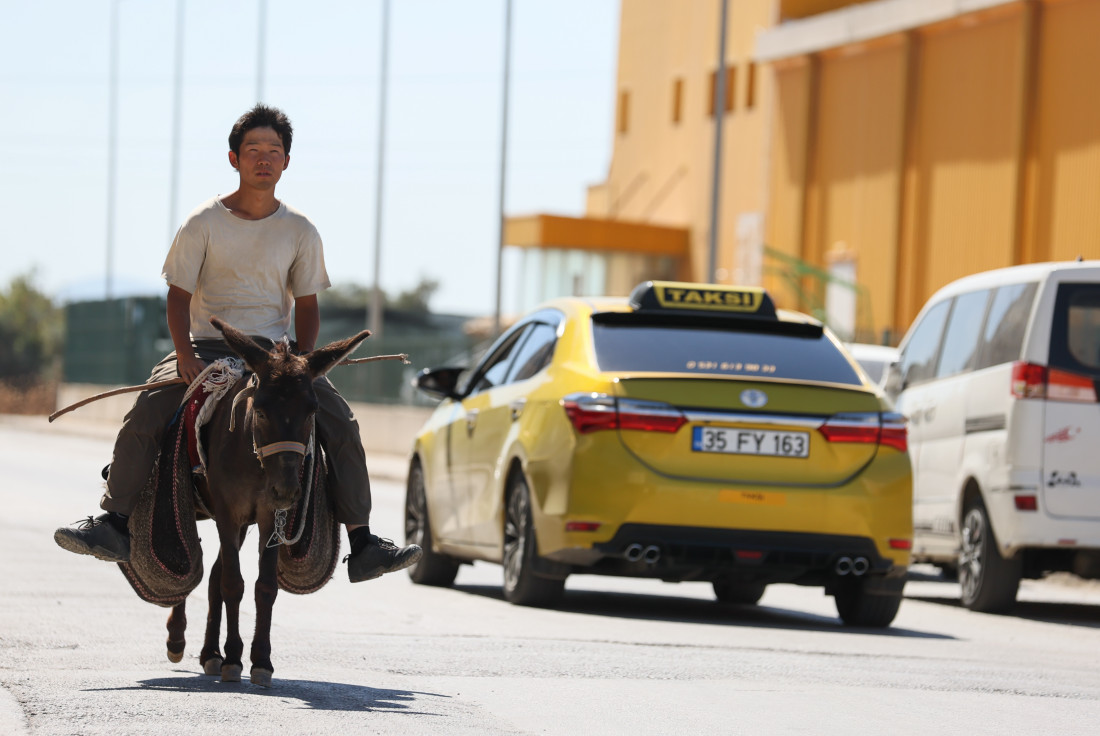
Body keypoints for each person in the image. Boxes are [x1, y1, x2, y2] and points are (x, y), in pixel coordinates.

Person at [54, 103, 422, 583]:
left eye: (274, 151)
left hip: (275, 358)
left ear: (287, 161)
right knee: (147, 410)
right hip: (207, 349)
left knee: (342, 424)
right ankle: (114, 521)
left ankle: (363, 541)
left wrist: (304, 367)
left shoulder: (301, 231)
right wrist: (183, 355)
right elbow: (178, 296)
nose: (264, 159)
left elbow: (306, 306)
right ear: (234, 158)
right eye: (253, 150)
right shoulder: (202, 223)